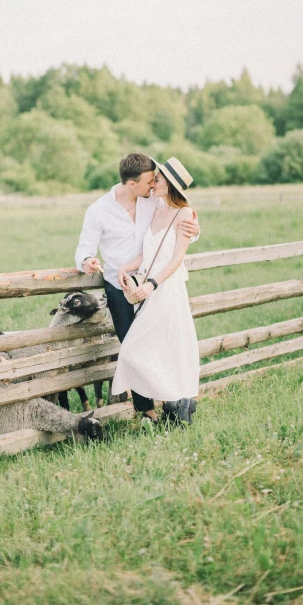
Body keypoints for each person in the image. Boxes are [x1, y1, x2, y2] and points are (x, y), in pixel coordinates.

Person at [75, 152, 199, 405]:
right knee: (131, 347)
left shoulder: (152, 201)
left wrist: (195, 231)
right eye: (149, 181)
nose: (153, 184)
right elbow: (84, 247)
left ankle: (169, 400)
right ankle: (146, 409)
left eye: (155, 180)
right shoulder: (98, 210)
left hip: (151, 284)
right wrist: (87, 260)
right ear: (132, 184)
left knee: (155, 343)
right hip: (118, 286)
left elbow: (177, 221)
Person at [111, 158, 200, 424]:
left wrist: (152, 284)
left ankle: (178, 403)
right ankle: (178, 403)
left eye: (158, 178)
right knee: (148, 349)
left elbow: (176, 259)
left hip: (166, 289)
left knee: (148, 348)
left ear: (169, 184)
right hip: (151, 290)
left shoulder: (184, 214)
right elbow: (148, 252)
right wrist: (123, 269)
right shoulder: (157, 207)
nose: (154, 181)